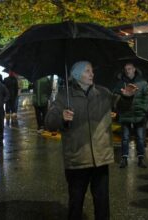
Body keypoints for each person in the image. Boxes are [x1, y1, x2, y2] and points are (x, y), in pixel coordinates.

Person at [45, 61, 118, 220]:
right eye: (87, 71)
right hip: (77, 159)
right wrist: (61, 117)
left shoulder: (103, 92)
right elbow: (49, 122)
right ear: (77, 75)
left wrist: (127, 96)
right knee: (76, 203)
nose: (92, 74)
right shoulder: (65, 96)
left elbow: (120, 106)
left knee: (102, 203)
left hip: (100, 158)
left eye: (92, 71)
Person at [114, 63, 148, 169]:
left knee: (140, 137)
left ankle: (141, 159)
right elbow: (115, 97)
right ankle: (124, 158)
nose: (127, 71)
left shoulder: (142, 82)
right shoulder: (121, 83)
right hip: (125, 114)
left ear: (134, 69)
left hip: (139, 114)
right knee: (125, 138)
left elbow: (147, 97)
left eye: (129, 69)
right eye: (125, 69)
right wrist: (123, 95)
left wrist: (143, 110)